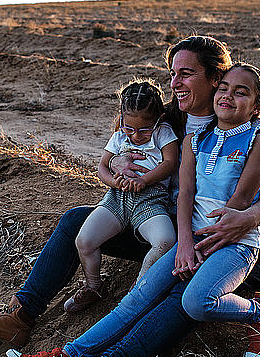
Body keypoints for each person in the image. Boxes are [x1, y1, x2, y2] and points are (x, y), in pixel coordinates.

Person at [0, 36, 260, 357]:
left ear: (216, 78)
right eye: (173, 73)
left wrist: (247, 218)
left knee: (181, 293)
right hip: (162, 220)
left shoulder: (248, 130)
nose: (175, 83)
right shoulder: (167, 118)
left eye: (186, 74)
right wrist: (116, 163)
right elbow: (120, 144)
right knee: (76, 221)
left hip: (216, 236)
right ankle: (20, 316)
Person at [64, 79, 179, 313]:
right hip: (116, 199)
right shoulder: (119, 136)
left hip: (151, 200)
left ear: (157, 119)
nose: (136, 136)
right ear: (122, 117)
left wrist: (144, 180)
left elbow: (170, 162)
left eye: (144, 130)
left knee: (165, 241)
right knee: (84, 241)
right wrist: (112, 180)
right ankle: (93, 286)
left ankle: (139, 290)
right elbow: (102, 168)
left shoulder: (163, 133)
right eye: (130, 128)